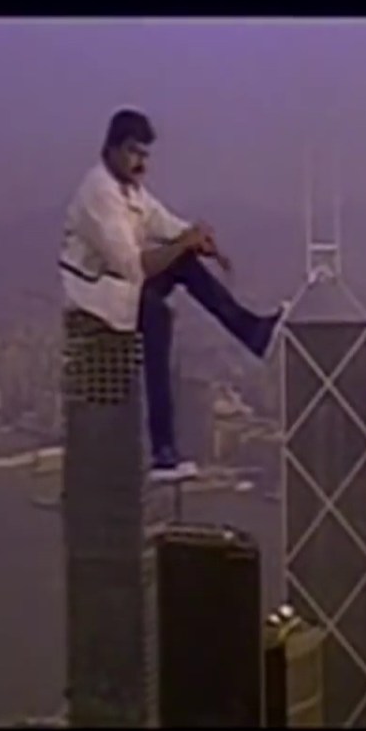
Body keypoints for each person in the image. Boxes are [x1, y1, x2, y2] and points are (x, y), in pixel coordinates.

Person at [59, 108, 287, 482]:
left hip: (122, 286)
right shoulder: (99, 195)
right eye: (133, 152)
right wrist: (184, 243)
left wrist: (196, 239)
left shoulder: (130, 190)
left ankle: (252, 331)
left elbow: (161, 222)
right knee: (157, 316)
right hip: (98, 298)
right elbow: (134, 266)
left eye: (144, 154)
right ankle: (163, 452)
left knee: (183, 265)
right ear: (112, 149)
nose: (141, 163)